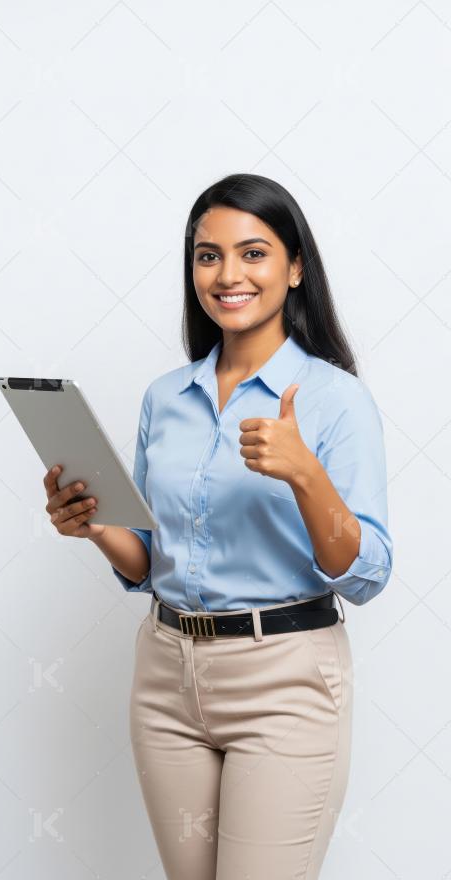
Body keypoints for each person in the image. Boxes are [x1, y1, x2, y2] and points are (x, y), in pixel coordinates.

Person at [44, 173, 393, 879]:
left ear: (295, 268)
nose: (228, 274)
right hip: (166, 678)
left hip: (284, 680)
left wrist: (304, 474)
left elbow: (368, 573)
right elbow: (147, 559)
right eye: (208, 256)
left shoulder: (334, 399)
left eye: (253, 253)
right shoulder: (165, 398)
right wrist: (91, 524)